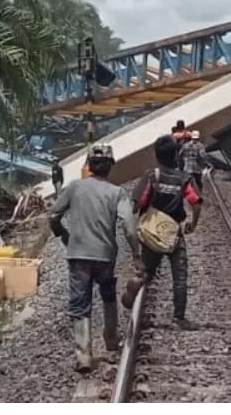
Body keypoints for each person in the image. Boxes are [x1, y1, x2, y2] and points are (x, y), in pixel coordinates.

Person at [48, 144, 140, 372]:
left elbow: (53, 215)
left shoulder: (74, 188)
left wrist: (62, 232)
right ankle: (111, 339)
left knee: (80, 304)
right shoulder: (116, 193)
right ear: (110, 167)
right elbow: (129, 226)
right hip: (105, 255)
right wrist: (137, 254)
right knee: (108, 295)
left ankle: (84, 356)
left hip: (78, 254)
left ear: (88, 166)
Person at [132, 135, 203, 330]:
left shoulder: (151, 176)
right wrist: (193, 224)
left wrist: (140, 216)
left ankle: (137, 310)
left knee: (146, 272)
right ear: (175, 155)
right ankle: (179, 317)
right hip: (173, 233)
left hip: (151, 232)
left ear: (156, 155)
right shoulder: (183, 178)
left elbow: (138, 202)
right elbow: (196, 202)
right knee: (180, 276)